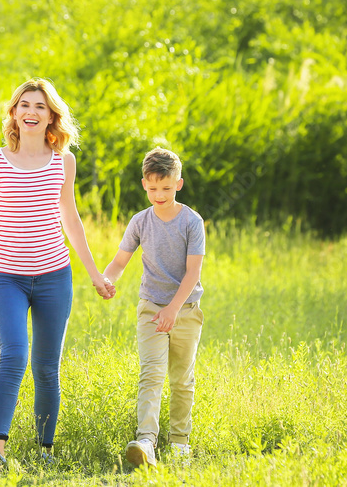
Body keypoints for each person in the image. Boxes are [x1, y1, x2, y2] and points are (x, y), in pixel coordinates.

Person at [0, 78, 114, 470]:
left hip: (55, 277)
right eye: (24, 105)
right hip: (7, 278)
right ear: (14, 114)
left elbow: (71, 220)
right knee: (14, 357)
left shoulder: (63, 161)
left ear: (51, 115)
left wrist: (93, 274)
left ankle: (44, 451)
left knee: (46, 366)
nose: (31, 112)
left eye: (40, 106)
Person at [102, 147, 205, 468]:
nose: (159, 195)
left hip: (185, 310)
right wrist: (106, 278)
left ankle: (179, 443)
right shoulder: (140, 221)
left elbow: (193, 273)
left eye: (166, 187)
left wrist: (173, 309)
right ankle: (146, 439)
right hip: (150, 308)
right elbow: (120, 261)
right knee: (151, 374)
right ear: (144, 184)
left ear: (179, 184)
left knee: (181, 379)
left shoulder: (191, 222)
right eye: (152, 188)